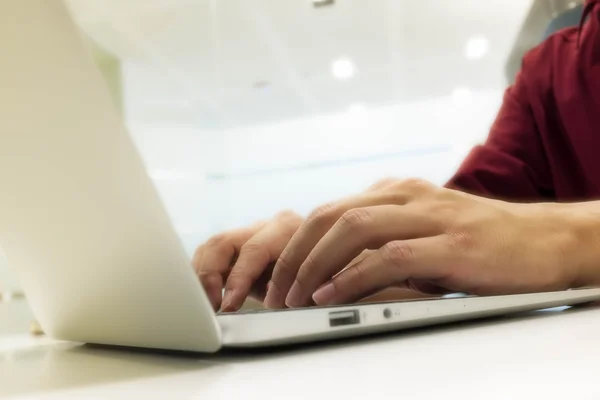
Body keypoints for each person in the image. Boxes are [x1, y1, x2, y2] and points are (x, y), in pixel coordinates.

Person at [194, 0, 600, 312]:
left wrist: (565, 239)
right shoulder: (549, 71)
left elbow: (523, 233)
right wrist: (316, 265)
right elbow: (453, 248)